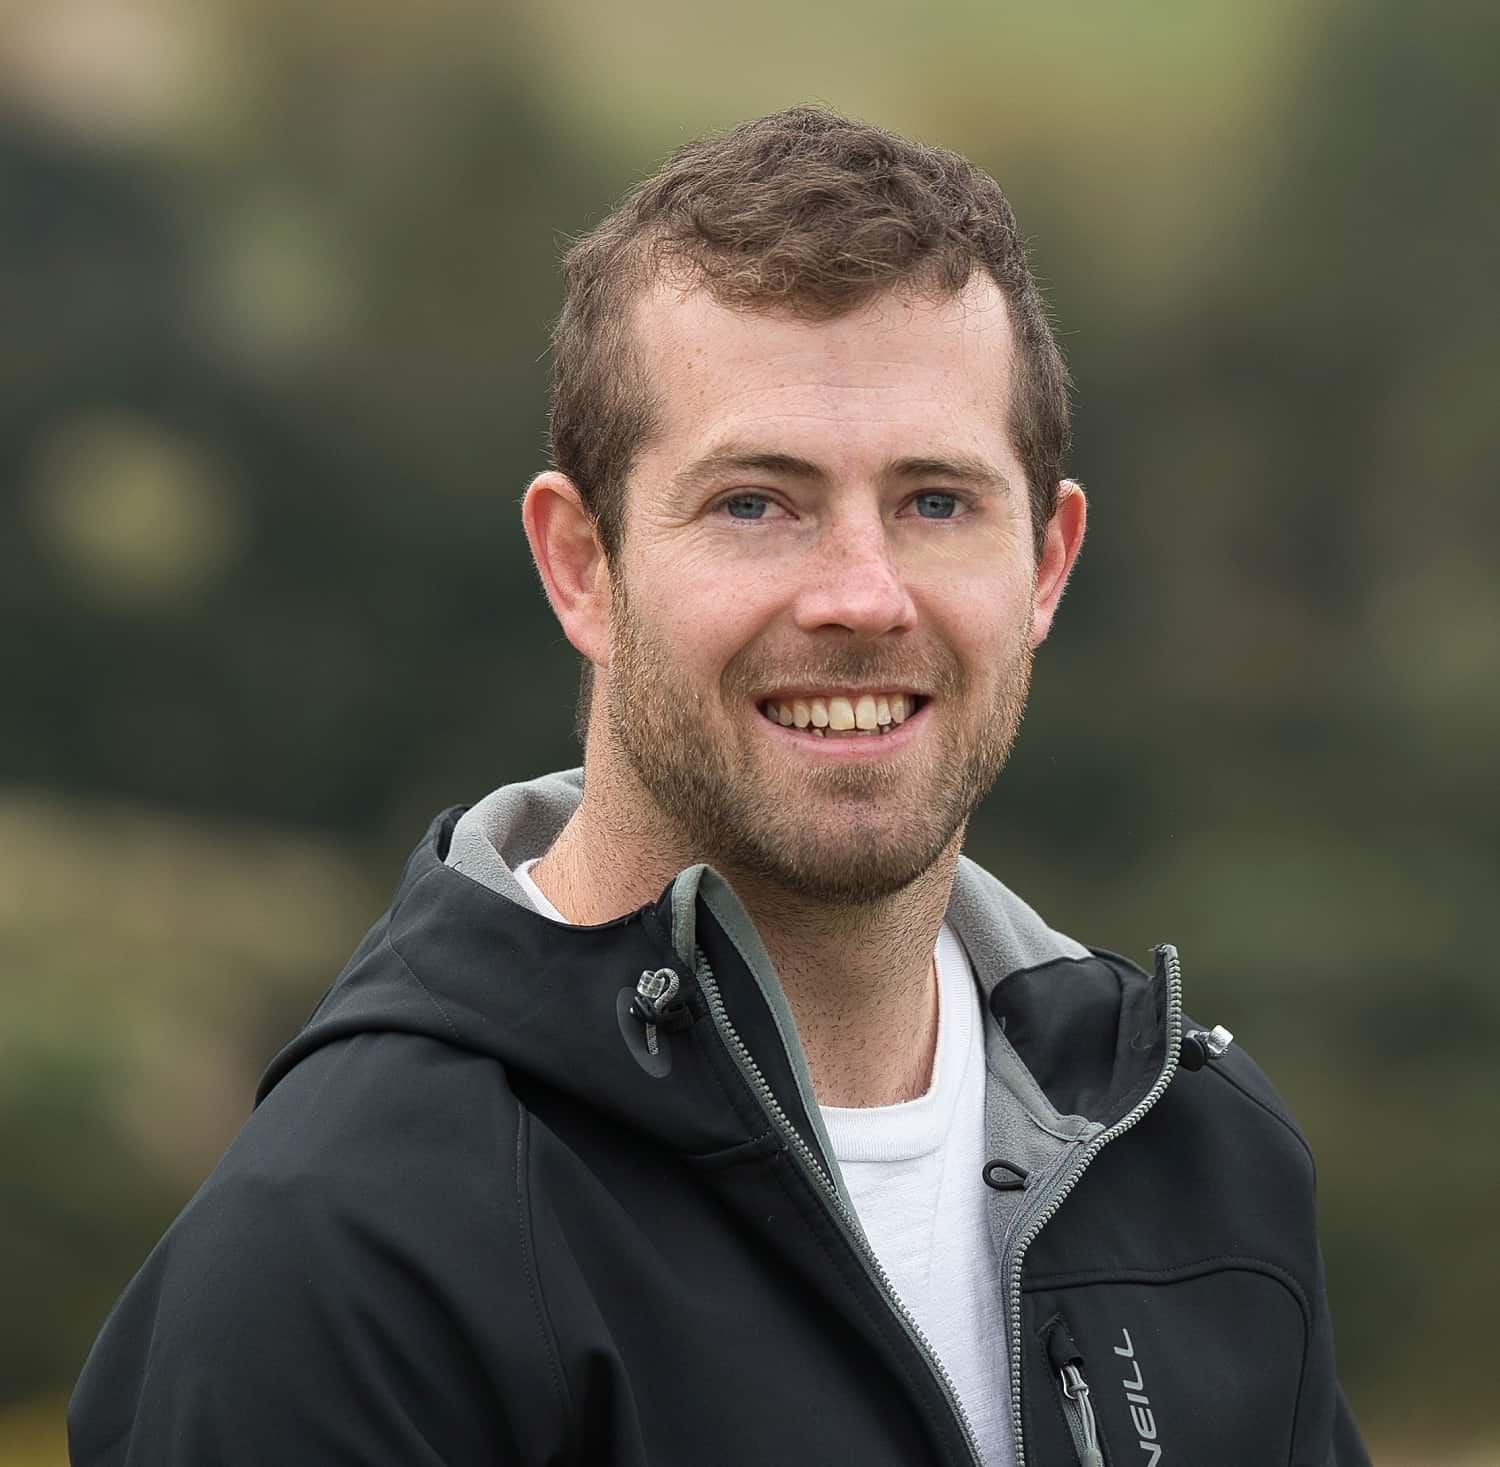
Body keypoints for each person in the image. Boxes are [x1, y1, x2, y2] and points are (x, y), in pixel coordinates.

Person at [69, 106, 1370, 1466]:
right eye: (757, 501)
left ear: (1046, 564)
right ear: (581, 563)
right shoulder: (345, 1256)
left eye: (937, 501)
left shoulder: (1200, 1164)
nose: (862, 595)